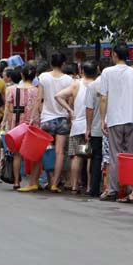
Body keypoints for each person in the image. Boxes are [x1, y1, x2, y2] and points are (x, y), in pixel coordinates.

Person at [20, 53, 73, 193]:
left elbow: (39, 99)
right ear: (63, 64)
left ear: (51, 63)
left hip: (47, 119)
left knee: (40, 150)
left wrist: (33, 116)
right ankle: (54, 183)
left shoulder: (43, 77)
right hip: (62, 118)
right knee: (60, 152)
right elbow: (69, 101)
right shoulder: (69, 79)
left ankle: (33, 182)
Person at [99, 41, 133, 203]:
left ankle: (112, 189)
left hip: (114, 119)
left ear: (114, 55)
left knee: (115, 155)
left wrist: (103, 118)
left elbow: (103, 98)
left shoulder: (107, 72)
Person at [55, 61, 98, 194]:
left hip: (77, 125)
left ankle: (74, 186)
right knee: (91, 156)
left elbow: (58, 96)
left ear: (82, 71)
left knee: (76, 156)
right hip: (93, 125)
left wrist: (70, 110)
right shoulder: (98, 84)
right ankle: (90, 186)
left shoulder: (76, 84)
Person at [2, 63, 39, 189]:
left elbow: (7, 108)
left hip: (16, 124)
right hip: (32, 125)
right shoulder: (37, 91)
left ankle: (17, 181)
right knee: (34, 154)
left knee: (16, 154)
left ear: (21, 75)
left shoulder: (12, 89)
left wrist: (3, 122)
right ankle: (33, 181)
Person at [85, 58, 111, 197]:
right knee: (111, 158)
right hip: (112, 127)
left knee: (96, 158)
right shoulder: (115, 84)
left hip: (96, 128)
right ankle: (110, 188)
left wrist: (88, 128)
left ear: (99, 69)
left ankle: (94, 188)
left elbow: (89, 108)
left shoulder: (93, 85)